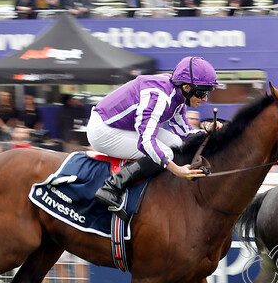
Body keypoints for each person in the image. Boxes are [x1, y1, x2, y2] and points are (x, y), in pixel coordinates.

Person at [87, 56, 219, 218]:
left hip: (124, 126)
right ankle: (112, 187)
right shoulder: (159, 97)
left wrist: (208, 134)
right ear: (186, 87)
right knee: (167, 153)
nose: (205, 98)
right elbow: (146, 142)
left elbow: (185, 135)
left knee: (175, 143)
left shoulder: (177, 95)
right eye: (201, 93)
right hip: (103, 130)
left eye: (207, 93)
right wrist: (177, 170)